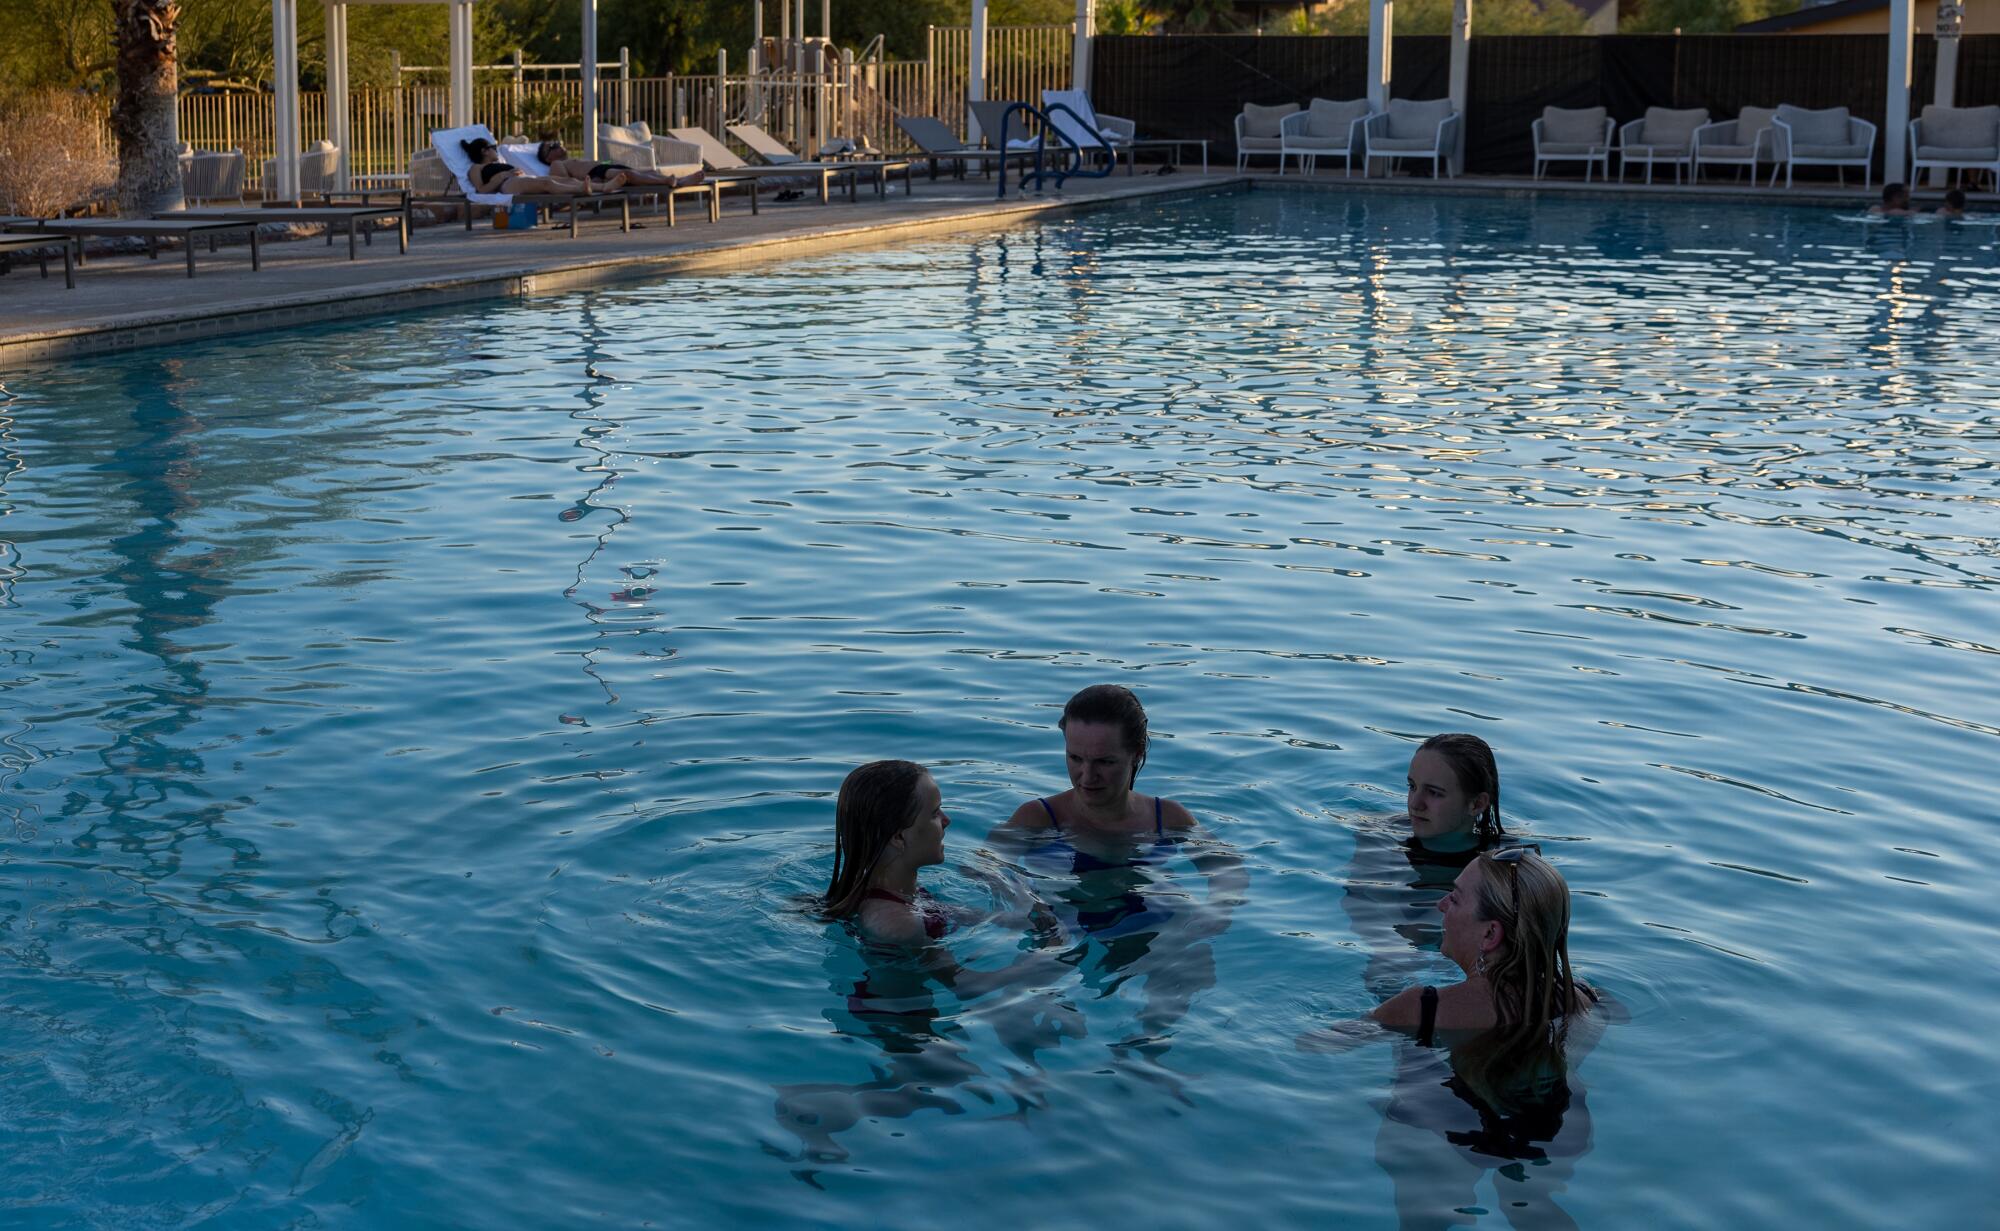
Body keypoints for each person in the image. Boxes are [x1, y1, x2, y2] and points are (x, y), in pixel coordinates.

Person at [990, 683, 1246, 1055]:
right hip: (1060, 928)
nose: (1086, 776)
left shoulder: (1167, 818)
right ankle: (1033, 1089)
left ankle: (1144, 1062)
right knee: (1021, 1010)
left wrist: (1217, 908)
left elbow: (1227, 868)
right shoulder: (1037, 818)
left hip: (1147, 928)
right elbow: (985, 867)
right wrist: (1026, 902)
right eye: (1075, 758)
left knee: (1192, 963)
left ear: (1136, 753)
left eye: (1104, 762)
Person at [1371, 846, 1597, 1046]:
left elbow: (1337, 1045)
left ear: (1490, 934)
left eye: (1456, 899)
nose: (1441, 904)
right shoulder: (1583, 999)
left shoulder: (1421, 1010)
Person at [823, 759, 956, 944]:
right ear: (899, 838)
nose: (946, 820)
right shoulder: (898, 926)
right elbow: (959, 974)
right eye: (934, 813)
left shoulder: (896, 895)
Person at [1399, 732, 1503, 858]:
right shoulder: (1383, 835)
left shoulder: (1507, 865)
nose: (1414, 805)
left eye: (1434, 792)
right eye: (1412, 786)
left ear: (1477, 804)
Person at [535, 138, 706, 192]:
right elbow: (564, 183)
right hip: (599, 173)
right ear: (548, 158)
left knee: (648, 172)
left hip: (603, 168)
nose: (558, 144)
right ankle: (668, 182)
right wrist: (593, 183)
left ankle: (680, 181)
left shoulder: (567, 160)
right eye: (552, 146)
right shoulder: (556, 164)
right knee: (631, 176)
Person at [459, 137, 594, 195]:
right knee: (547, 183)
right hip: (507, 184)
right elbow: (481, 191)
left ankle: (603, 186)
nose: (496, 149)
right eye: (493, 147)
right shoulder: (476, 168)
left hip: (517, 179)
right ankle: (579, 190)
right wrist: (502, 176)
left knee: (565, 180)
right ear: (484, 151)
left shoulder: (496, 163)